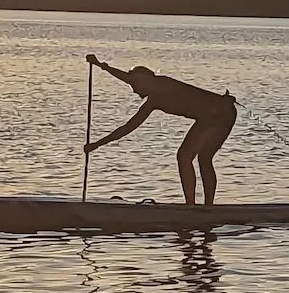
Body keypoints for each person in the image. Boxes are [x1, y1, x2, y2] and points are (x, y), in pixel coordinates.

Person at [83, 54, 237, 206]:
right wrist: (97, 144)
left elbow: (128, 77)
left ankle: (192, 207)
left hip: (218, 112)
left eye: (135, 84)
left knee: (185, 157)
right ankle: (204, 209)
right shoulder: (153, 101)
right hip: (224, 114)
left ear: (146, 79)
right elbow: (127, 128)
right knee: (203, 158)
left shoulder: (162, 84)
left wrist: (100, 65)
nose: (134, 91)